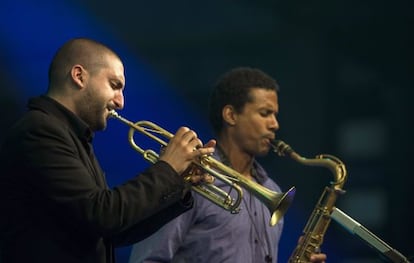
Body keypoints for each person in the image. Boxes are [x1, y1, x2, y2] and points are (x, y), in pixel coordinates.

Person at [0, 38, 216, 263]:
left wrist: (180, 183)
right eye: (115, 85)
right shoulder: (40, 130)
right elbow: (103, 215)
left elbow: (113, 232)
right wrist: (168, 168)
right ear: (79, 76)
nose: (121, 102)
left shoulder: (72, 136)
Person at [128, 67, 327, 263]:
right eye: (265, 113)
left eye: (274, 115)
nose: (275, 124)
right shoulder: (191, 177)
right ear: (231, 115)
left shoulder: (272, 190)